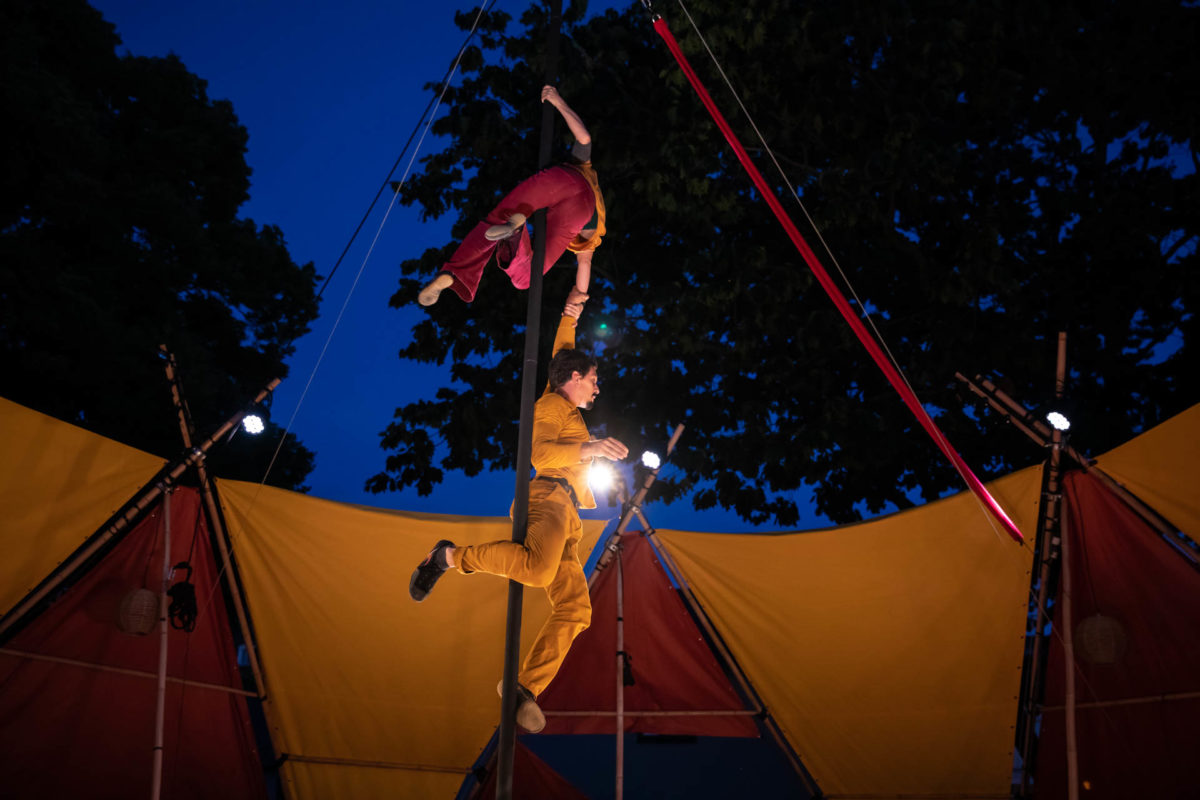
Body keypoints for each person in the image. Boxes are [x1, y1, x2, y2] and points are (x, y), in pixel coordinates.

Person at [408, 286, 628, 733]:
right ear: (575, 379)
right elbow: (539, 455)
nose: (597, 386)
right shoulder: (551, 405)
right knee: (539, 572)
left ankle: (524, 688)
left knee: (575, 610)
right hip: (547, 498)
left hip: (568, 515)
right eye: (593, 379)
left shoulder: (563, 397)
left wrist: (572, 311)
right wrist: (590, 449)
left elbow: (563, 354)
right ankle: (448, 556)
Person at [418, 85, 606, 307]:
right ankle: (514, 232)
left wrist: (557, 101)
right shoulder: (593, 238)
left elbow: (584, 139)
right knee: (526, 279)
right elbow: (584, 264)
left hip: (567, 180)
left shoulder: (584, 168)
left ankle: (455, 273)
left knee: (500, 216)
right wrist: (577, 304)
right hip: (580, 214)